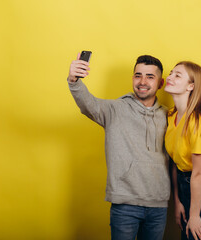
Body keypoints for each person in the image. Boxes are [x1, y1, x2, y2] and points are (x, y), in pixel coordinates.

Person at [67, 53, 170, 240]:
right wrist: (74, 80)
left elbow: (182, 147)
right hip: (125, 205)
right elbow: (88, 104)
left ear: (160, 83)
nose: (142, 81)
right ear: (133, 79)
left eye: (150, 76)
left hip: (159, 206)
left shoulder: (168, 116)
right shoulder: (114, 109)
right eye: (138, 75)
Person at [164, 61, 201, 240]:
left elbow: (198, 173)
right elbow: (175, 164)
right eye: (171, 73)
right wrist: (178, 202)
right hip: (185, 187)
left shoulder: (197, 122)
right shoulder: (171, 116)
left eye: (177, 75)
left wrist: (195, 215)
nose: (169, 77)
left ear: (191, 86)